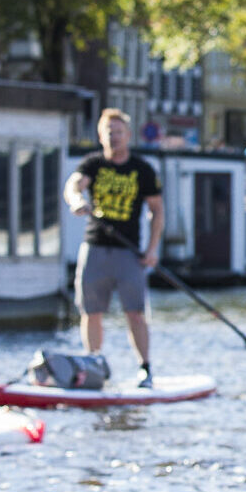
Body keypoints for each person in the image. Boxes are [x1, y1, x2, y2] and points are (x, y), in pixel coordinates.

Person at [62, 109, 164, 386]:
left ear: (128, 136)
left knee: (135, 312)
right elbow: (74, 185)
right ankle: (93, 363)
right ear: (101, 136)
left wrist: (152, 249)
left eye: (118, 132)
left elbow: (157, 211)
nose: (114, 137)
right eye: (109, 133)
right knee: (91, 312)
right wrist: (76, 201)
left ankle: (145, 368)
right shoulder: (93, 165)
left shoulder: (142, 170)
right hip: (95, 246)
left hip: (129, 251)